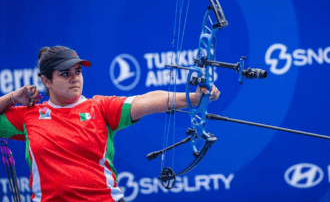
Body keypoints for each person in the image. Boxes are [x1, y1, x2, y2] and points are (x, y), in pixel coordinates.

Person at [0, 46, 220, 202]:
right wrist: (11, 98)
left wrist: (193, 98)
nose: (74, 78)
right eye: (65, 74)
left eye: (78, 72)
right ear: (46, 81)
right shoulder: (29, 116)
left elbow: (146, 101)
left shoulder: (100, 107)